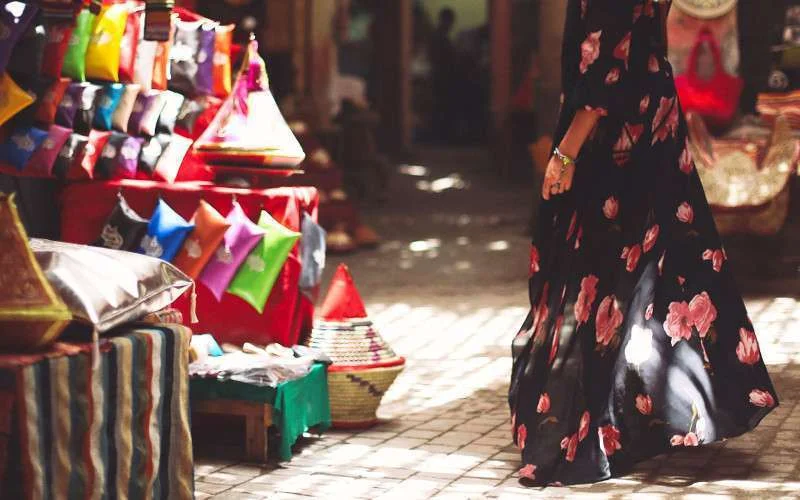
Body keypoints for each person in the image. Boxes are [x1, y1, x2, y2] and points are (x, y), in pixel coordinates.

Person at [509, 0, 777, 486]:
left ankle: (599, 423)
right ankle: (666, 407)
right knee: (664, 265)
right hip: (650, 117)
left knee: (602, 272)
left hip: (617, 132)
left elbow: (607, 61)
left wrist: (565, 154)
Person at [428, 7, 459, 142]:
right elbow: (443, 59)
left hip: (440, 77)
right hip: (442, 77)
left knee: (441, 108)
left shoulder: (438, 36)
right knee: (442, 108)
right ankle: (442, 137)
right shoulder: (440, 38)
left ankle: (440, 137)